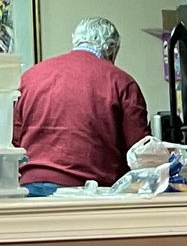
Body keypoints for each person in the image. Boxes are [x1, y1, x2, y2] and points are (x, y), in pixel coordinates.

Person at [13, 17, 150, 188]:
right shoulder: (121, 82)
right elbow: (141, 153)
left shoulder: (29, 77)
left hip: (30, 186)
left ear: (75, 40)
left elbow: (13, 140)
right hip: (88, 191)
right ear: (111, 50)